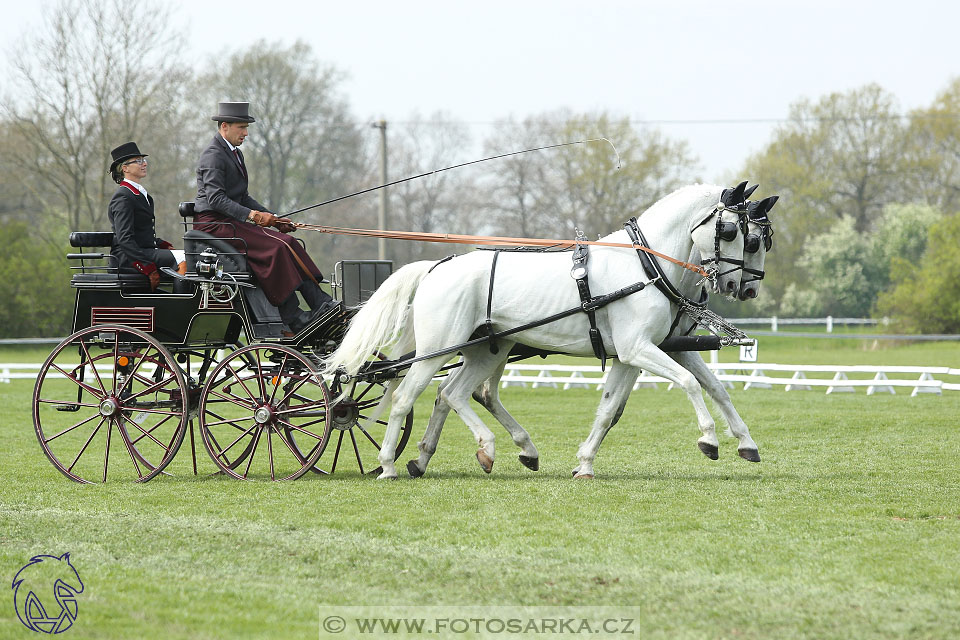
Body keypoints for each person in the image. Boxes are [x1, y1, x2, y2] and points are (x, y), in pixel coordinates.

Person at [193, 101, 336, 333]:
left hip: (230, 221)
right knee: (278, 247)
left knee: (288, 242)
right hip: (214, 225)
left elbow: (243, 196)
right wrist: (255, 217)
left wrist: (274, 218)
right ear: (224, 126)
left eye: (246, 128)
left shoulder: (235, 154)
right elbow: (216, 199)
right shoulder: (213, 155)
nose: (246, 133)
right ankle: (294, 316)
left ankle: (320, 302)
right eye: (241, 128)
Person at [107, 142, 185, 291]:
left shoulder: (139, 194)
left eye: (143, 160)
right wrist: (147, 268)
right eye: (138, 161)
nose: (144, 164)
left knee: (187, 255)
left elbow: (140, 232)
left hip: (144, 250)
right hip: (128, 258)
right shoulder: (123, 197)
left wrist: (161, 244)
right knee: (184, 258)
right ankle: (182, 306)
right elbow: (125, 239)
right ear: (125, 168)